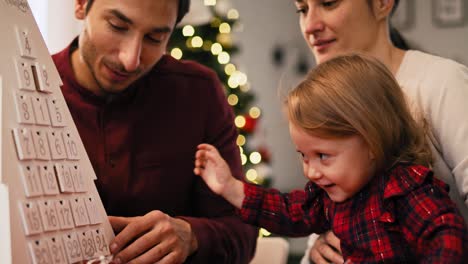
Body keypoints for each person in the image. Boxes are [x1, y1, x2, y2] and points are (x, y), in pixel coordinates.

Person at [193, 54, 468, 263]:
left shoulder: (406, 192)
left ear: (373, 142)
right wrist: (231, 187)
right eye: (304, 156)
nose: (311, 171)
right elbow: (287, 211)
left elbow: (448, 236)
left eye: (323, 156)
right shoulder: (327, 199)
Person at [52, 0, 258, 263]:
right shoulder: (23, 88)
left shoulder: (198, 93)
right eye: (117, 26)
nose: (130, 60)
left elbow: (242, 231)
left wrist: (192, 236)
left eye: (154, 38)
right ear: (81, 5)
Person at [292, 0, 468, 263]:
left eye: (328, 3)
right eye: (302, 9)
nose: (310, 25)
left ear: (383, 3)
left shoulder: (443, 83)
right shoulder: (327, 102)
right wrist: (319, 247)